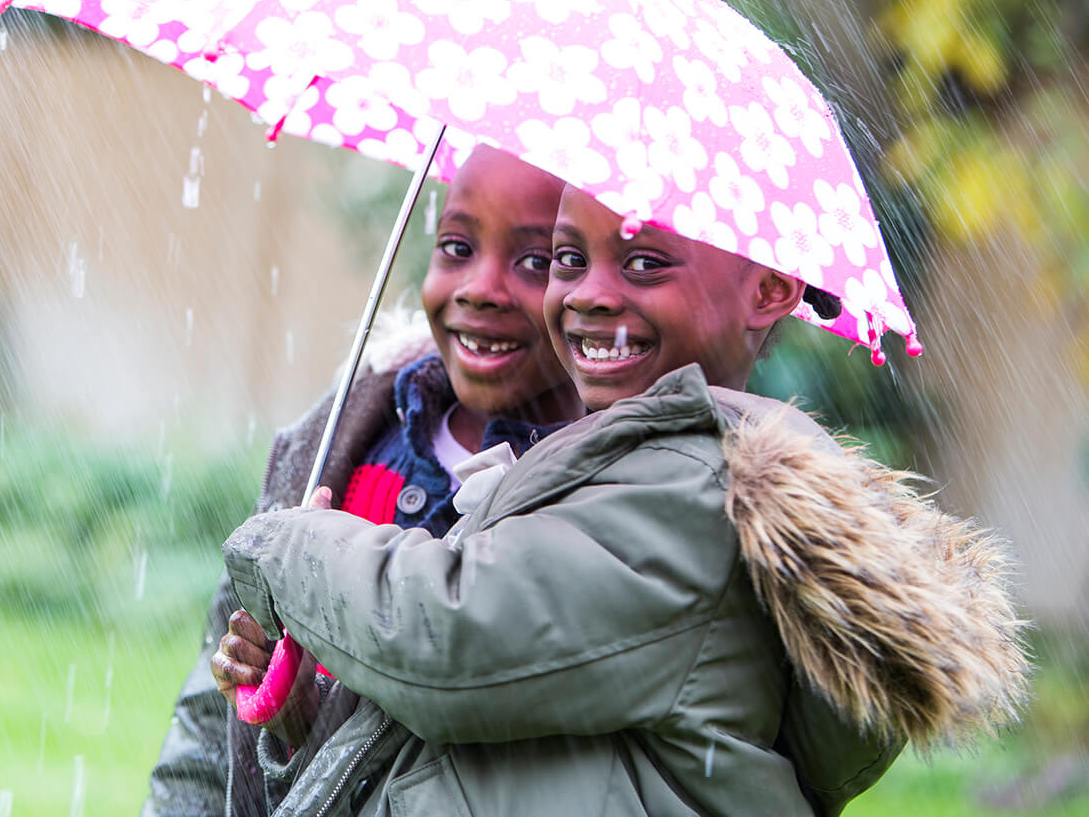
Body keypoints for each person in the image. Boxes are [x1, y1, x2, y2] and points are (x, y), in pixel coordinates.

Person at [217, 184, 1031, 816]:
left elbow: (453, 635)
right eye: (568, 260)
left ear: (771, 290)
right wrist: (301, 711)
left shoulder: (690, 490)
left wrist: (295, 543)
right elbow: (492, 742)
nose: (591, 294)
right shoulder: (628, 466)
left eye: (644, 265)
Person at [141, 148, 585, 816]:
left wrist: (315, 717)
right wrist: (284, 710)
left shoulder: (591, 499)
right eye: (457, 246)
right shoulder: (336, 441)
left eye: (536, 261)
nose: (480, 287)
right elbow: (211, 728)